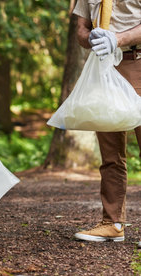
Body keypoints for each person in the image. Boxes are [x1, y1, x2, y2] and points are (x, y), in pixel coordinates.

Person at [72, 0, 141, 242]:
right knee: (111, 154)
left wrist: (118, 39)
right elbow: (81, 28)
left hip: (138, 60)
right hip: (104, 66)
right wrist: (89, 38)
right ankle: (112, 223)